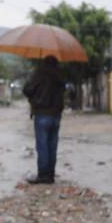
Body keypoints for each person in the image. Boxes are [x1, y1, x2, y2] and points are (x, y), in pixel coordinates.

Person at [22, 55, 65, 184]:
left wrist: (33, 96)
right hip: (56, 115)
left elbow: (27, 90)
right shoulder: (60, 75)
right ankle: (50, 174)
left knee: (42, 145)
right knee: (52, 145)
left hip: (42, 114)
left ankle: (43, 175)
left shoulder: (39, 73)